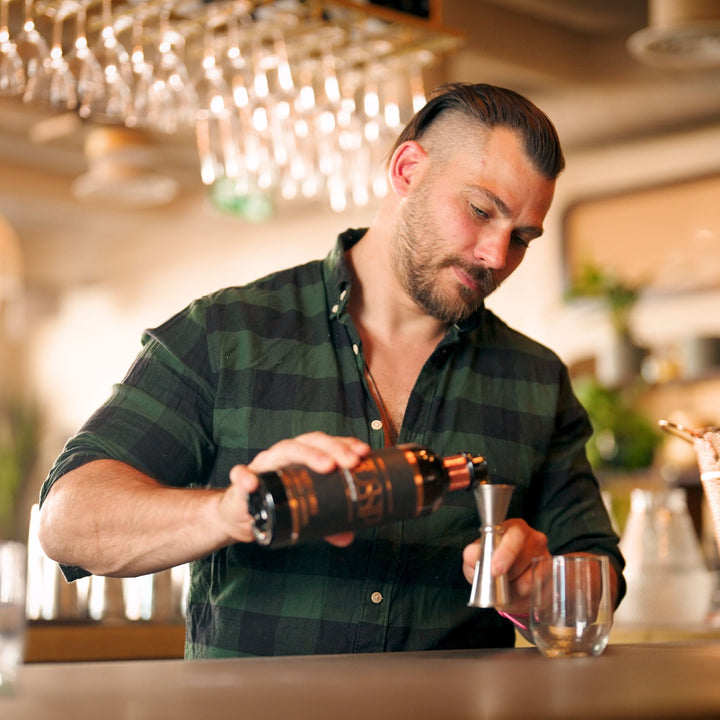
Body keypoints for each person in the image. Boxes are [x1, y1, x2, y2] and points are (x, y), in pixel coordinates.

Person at [38, 82, 625, 657]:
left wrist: (542, 584)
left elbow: (599, 571)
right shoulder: (228, 334)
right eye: (479, 211)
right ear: (407, 170)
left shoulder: (536, 379)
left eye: (521, 237)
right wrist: (231, 510)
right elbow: (68, 521)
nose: (497, 256)